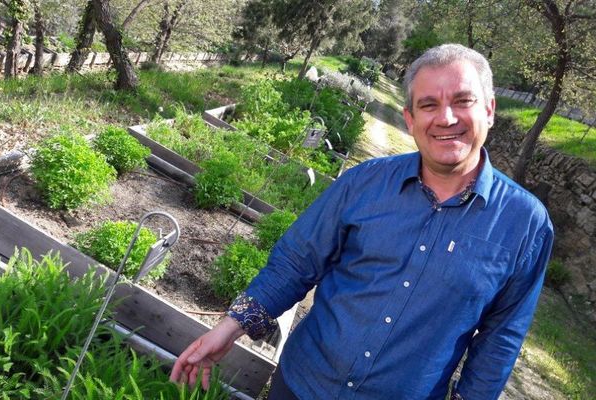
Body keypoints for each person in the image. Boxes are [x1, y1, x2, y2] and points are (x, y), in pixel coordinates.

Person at [170, 44, 554, 400]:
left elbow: (500, 336)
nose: (446, 118)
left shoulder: (525, 224)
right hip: (302, 384)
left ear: (489, 109)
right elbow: (297, 261)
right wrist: (230, 327)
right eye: (429, 104)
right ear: (410, 118)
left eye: (462, 101)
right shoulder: (364, 182)